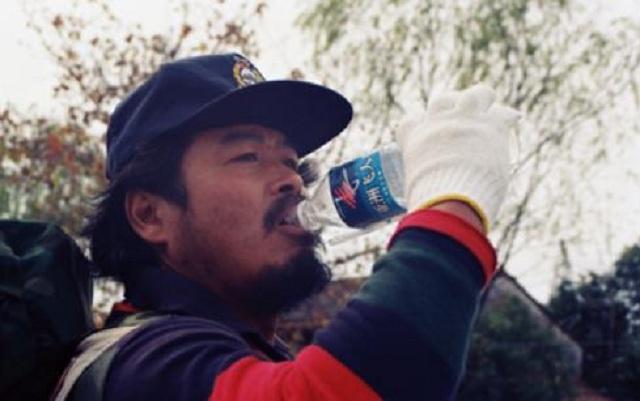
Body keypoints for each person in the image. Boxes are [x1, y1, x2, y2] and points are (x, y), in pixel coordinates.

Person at [55, 53, 518, 401]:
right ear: (149, 215)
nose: (293, 181)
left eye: (292, 162)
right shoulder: (146, 367)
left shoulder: (235, 353)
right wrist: (452, 199)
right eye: (248, 156)